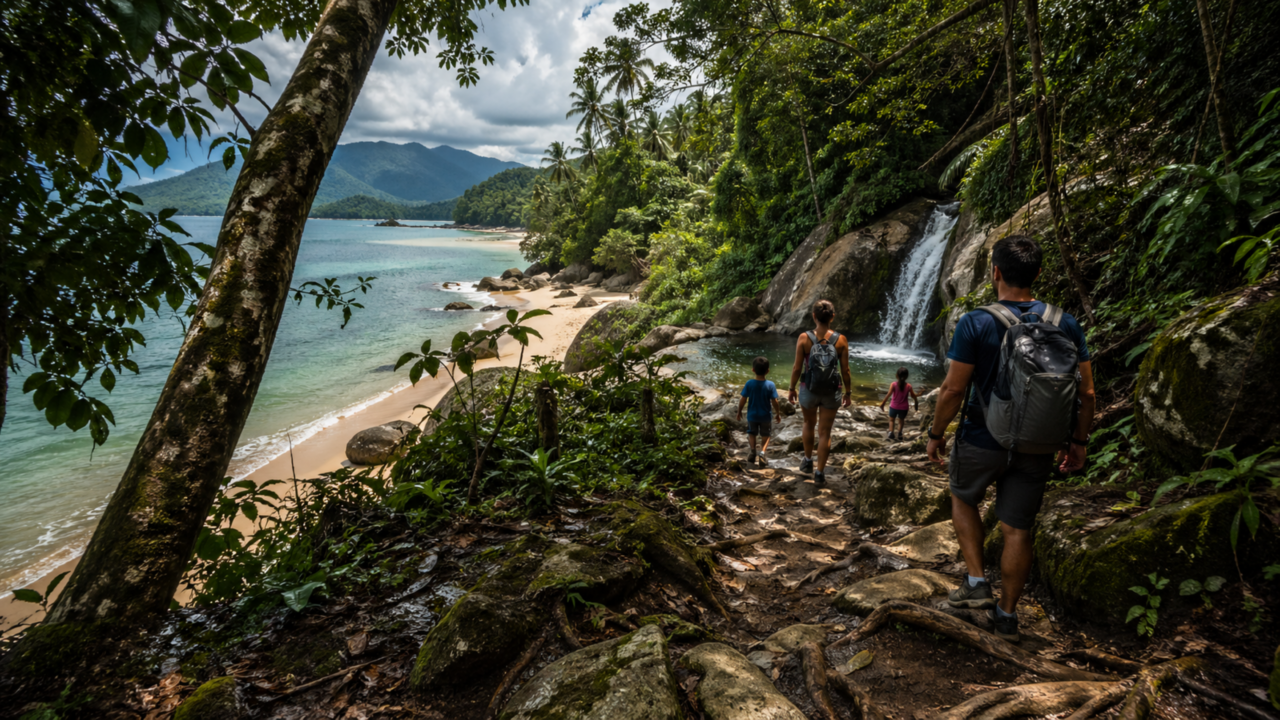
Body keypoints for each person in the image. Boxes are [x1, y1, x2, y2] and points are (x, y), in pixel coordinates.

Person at [925, 234, 1094, 643]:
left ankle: (977, 581)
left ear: (994, 272)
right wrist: (1078, 441)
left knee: (963, 497)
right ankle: (1008, 616)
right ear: (1037, 273)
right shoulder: (1065, 323)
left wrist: (935, 433)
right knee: (1017, 529)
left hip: (982, 437)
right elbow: (1086, 392)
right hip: (1039, 443)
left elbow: (952, 390)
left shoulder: (976, 321)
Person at [788, 299, 852, 486]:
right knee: (825, 432)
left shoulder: (804, 338)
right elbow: (845, 370)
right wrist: (848, 392)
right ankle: (820, 472)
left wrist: (791, 388)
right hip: (832, 392)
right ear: (832, 317)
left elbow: (796, 368)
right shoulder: (841, 340)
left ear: (814, 316)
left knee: (808, 423)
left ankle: (807, 460)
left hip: (808, 389)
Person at [736, 356, 783, 467]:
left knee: (751, 433)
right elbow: (775, 401)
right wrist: (778, 413)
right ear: (767, 371)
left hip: (752, 415)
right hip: (765, 416)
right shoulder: (770, 385)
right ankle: (762, 453)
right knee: (766, 435)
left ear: (753, 369)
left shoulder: (749, 384)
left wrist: (739, 411)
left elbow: (743, 399)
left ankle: (752, 451)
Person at [879, 366, 919, 442]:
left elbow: (888, 394)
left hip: (894, 406)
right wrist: (916, 401)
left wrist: (883, 404)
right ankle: (900, 433)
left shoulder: (893, 384)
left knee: (891, 420)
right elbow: (913, 396)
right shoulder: (908, 386)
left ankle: (891, 432)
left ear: (896, 375)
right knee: (901, 421)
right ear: (906, 376)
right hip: (904, 408)